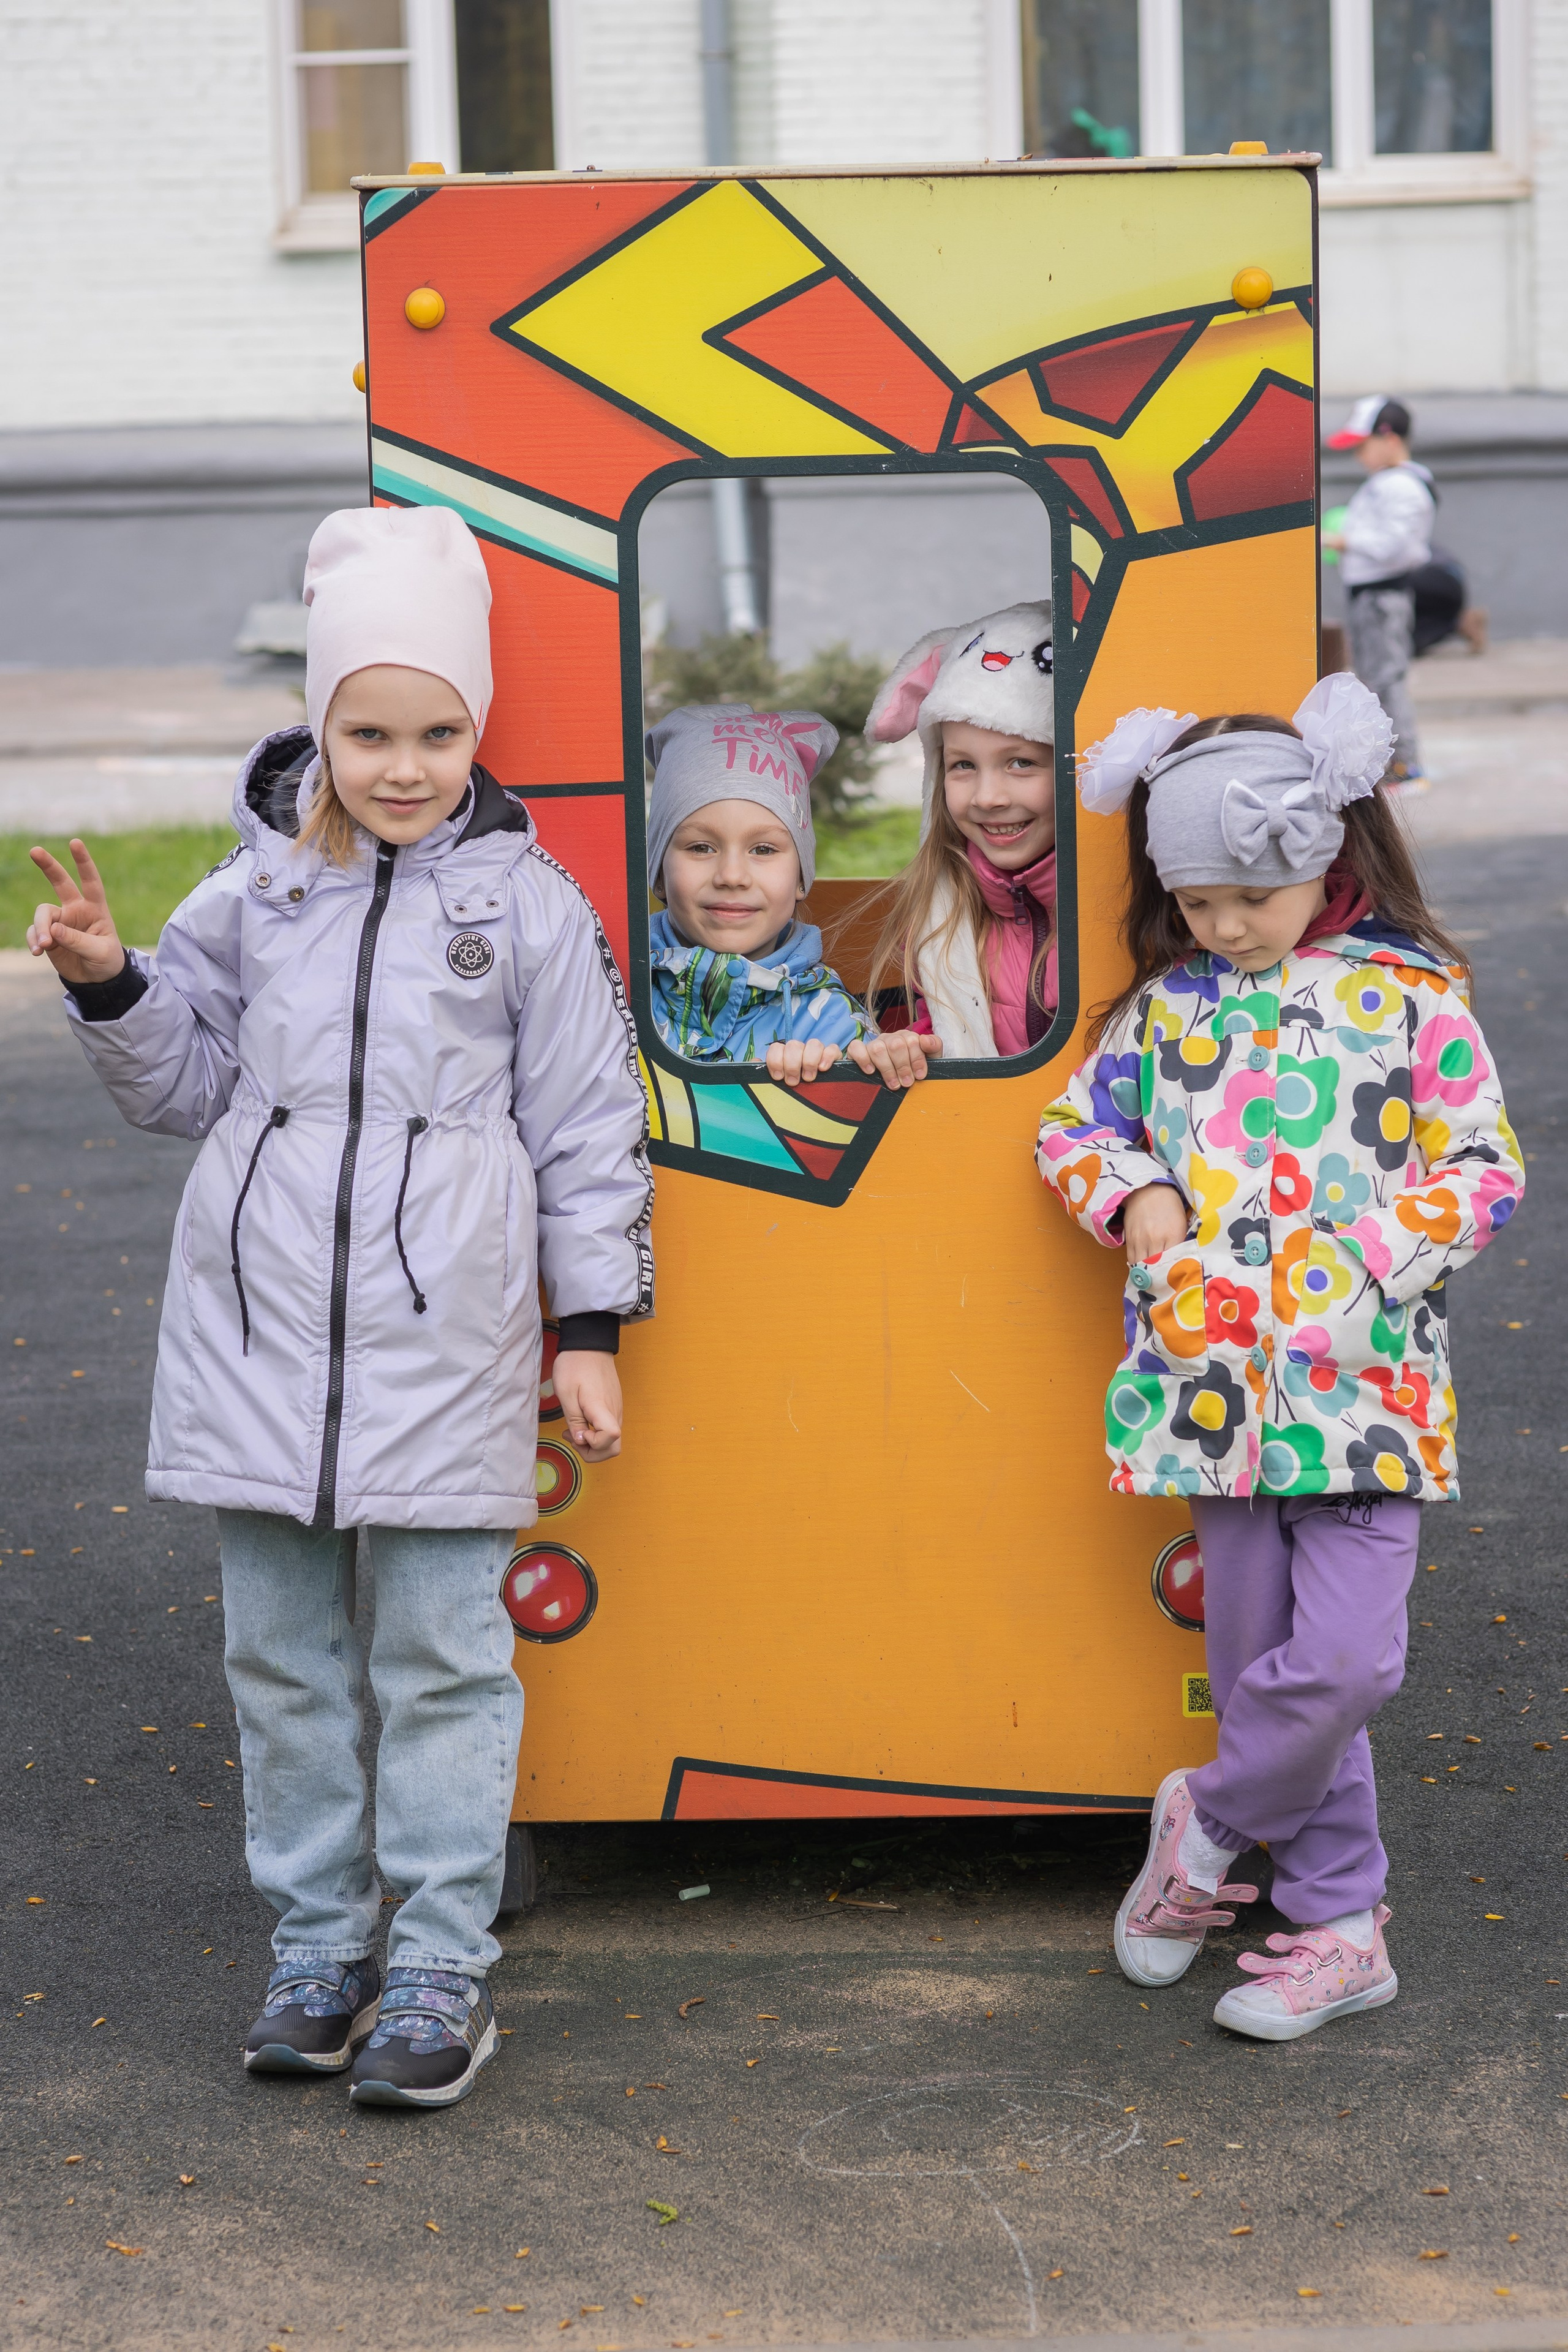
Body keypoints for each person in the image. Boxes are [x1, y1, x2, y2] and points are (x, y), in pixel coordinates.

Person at [26, 504, 654, 2108]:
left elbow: (588, 1122)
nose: (403, 764)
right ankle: (320, 1944)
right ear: (319, 722)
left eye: (439, 730)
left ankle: (443, 1965)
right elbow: (184, 1085)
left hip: (450, 1341)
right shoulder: (253, 895)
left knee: (444, 1656)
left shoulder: (525, 905)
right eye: (368, 730)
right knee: (283, 1658)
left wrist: (589, 1328)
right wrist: (109, 979)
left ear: (475, 727)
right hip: (259, 1336)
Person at [1036, 676, 1522, 2042]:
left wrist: (1368, 1269)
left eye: (1245, 896)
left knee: (1349, 1667)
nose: (1218, 924)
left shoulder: (1408, 1000)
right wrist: (1133, 1195)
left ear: (1326, 860)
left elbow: (1481, 1171)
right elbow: (1071, 1133)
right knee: (1268, 1675)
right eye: (1193, 902)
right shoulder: (1163, 1014)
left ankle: (1211, 1817)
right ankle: (1337, 1929)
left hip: (1366, 1400)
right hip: (1210, 1405)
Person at [646, 701, 930, 1087]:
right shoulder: (608, 990)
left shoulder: (832, 1024)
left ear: (801, 878)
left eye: (763, 850)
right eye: (701, 848)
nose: (732, 876)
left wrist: (840, 1078)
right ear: (658, 874)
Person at [864, 601, 1057, 1060]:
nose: (988, 797)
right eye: (963, 765)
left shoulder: (1126, 914)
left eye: (1021, 762)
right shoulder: (943, 921)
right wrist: (914, 1047)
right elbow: (942, 1037)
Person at [1322, 397, 1437, 789]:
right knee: (1375, 680)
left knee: (1386, 680)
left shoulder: (1402, 486)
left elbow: (1394, 545)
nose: (1359, 455)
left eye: (1363, 444)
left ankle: (1406, 766)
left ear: (1388, 438)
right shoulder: (1386, 483)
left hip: (1383, 597)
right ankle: (1390, 764)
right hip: (1371, 596)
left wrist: (1343, 540)